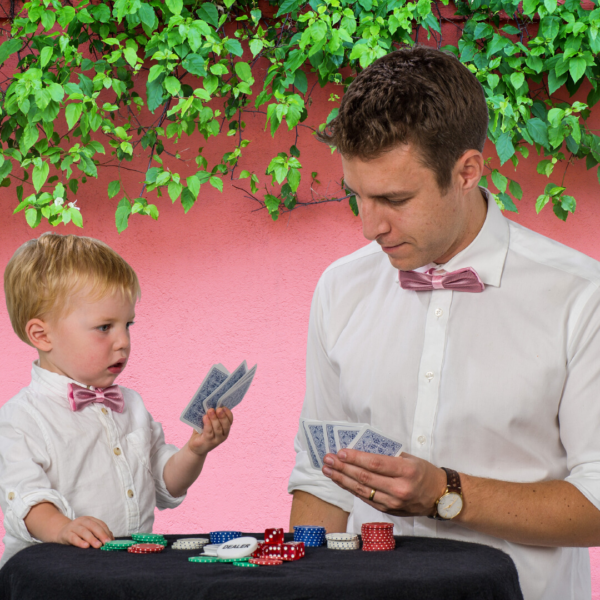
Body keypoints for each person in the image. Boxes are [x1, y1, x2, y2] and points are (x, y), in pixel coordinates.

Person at [287, 45, 600, 600]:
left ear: (467, 171)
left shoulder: (581, 297)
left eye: (394, 198)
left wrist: (444, 492)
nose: (368, 227)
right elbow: (321, 481)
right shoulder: (340, 287)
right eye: (355, 196)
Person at [0, 233, 233, 567]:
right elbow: (27, 500)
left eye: (128, 325)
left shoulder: (132, 405)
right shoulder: (20, 418)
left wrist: (195, 450)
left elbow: (165, 484)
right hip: (51, 577)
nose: (123, 341)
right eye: (104, 327)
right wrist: (64, 528)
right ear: (42, 335)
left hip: (124, 572)